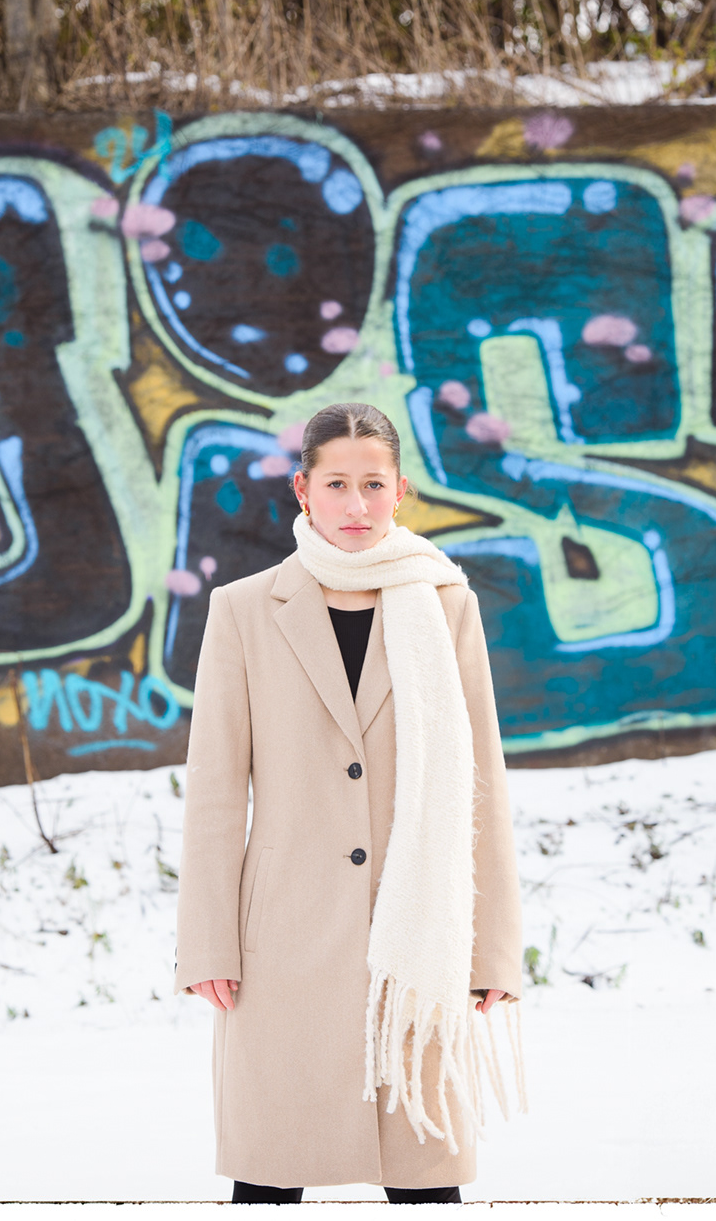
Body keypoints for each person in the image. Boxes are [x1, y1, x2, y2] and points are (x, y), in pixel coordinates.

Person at [174, 401, 525, 1204]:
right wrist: (206, 942)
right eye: (337, 483)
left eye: (373, 484)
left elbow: (481, 778)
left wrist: (494, 948)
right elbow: (216, 792)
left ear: (400, 489)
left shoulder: (446, 605)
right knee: (270, 1178)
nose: (357, 504)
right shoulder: (243, 609)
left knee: (425, 1179)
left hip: (421, 938)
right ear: (303, 489)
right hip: (282, 941)